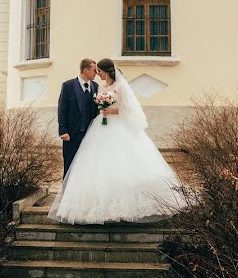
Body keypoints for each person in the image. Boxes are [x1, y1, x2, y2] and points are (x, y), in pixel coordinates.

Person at [48, 58, 184, 224]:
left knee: (121, 160)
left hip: (116, 126)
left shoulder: (119, 86)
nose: (98, 74)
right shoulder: (98, 87)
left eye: (99, 71)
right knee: (93, 163)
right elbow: (68, 108)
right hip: (98, 128)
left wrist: (108, 111)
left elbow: (126, 108)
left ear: (107, 71)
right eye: (95, 71)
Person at [57, 58, 100, 178]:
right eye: (94, 70)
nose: (96, 73)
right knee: (69, 164)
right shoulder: (68, 86)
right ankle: (66, 193)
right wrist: (63, 130)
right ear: (86, 70)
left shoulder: (96, 87)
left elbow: (96, 111)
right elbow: (62, 110)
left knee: (87, 164)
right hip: (71, 134)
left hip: (89, 134)